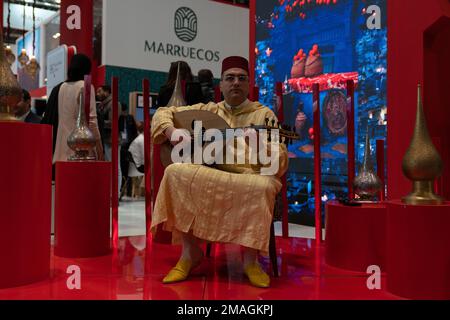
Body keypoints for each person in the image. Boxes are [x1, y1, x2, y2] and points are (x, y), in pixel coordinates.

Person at [150, 56, 288, 288]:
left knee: (263, 185)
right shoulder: (207, 110)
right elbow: (163, 112)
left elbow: (280, 161)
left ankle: (250, 261)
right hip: (211, 171)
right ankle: (190, 253)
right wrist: (172, 131)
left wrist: (259, 146)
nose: (235, 83)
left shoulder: (264, 115)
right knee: (175, 171)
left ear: (248, 84)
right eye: (229, 78)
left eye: (241, 78)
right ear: (221, 85)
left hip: (248, 176)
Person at [42, 53, 103, 164]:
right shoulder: (86, 86)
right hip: (81, 149)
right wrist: (99, 148)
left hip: (60, 149)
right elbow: (92, 121)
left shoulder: (61, 87)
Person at [96, 85, 121, 161]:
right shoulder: (102, 105)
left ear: (107, 92)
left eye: (99, 91)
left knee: (113, 165)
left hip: (111, 140)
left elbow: (112, 122)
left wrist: (99, 122)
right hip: (104, 139)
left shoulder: (114, 104)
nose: (97, 94)